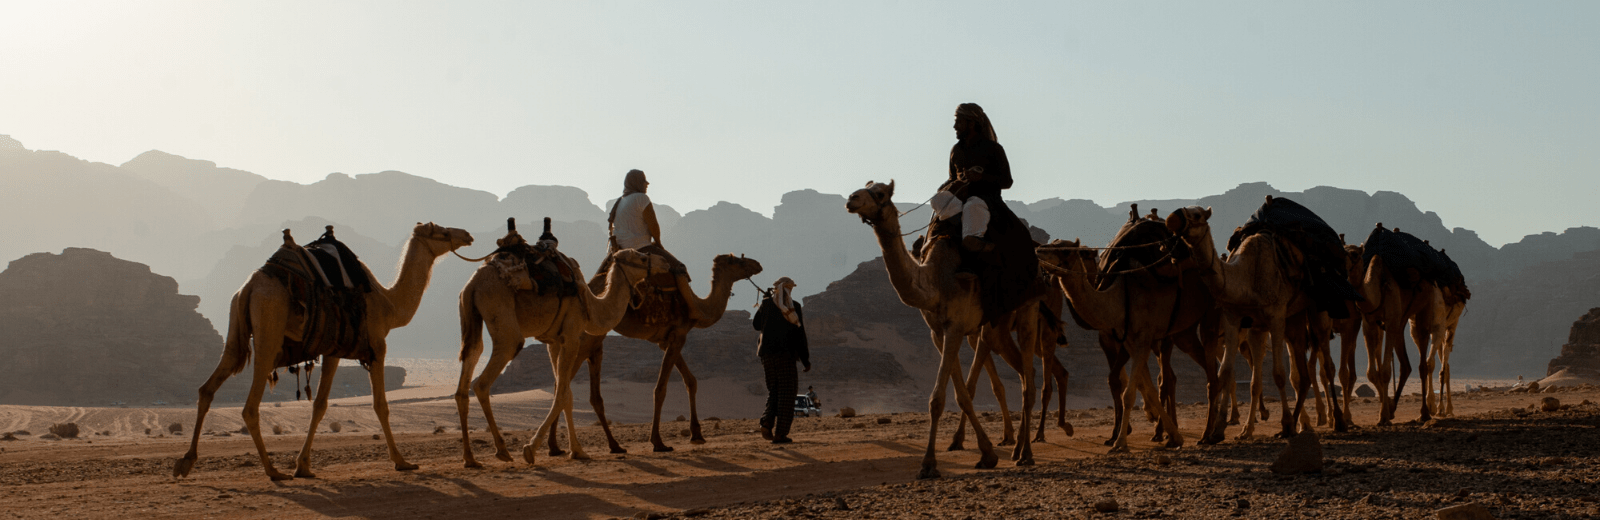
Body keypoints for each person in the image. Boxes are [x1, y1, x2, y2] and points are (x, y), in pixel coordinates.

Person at [925, 103, 1040, 322]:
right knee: (938, 200)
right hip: (961, 197)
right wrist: (948, 186)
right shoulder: (956, 150)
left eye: (958, 121)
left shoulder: (993, 149)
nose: (954, 126)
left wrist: (982, 178)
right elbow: (952, 177)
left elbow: (1006, 181)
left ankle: (974, 241)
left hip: (986, 200)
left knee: (973, 206)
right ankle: (964, 234)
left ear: (971, 122)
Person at [753, 277, 810, 443]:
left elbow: (757, 325)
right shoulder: (793, 307)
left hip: (767, 356)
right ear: (788, 289)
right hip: (785, 355)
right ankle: (780, 434)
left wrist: (765, 302)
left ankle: (767, 422)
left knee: (774, 390)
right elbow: (800, 335)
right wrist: (805, 360)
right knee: (787, 393)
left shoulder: (767, 304)